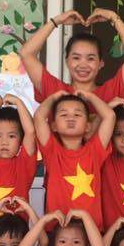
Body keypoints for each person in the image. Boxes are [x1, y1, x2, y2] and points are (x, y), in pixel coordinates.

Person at [19, 8, 124, 103]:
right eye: (76, 58)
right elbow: (26, 54)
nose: (83, 64)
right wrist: (55, 21)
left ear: (101, 63)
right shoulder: (55, 91)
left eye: (90, 58)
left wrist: (113, 17)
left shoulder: (112, 91)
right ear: (67, 61)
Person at [34, 90, 116, 230]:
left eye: (77, 114)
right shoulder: (52, 151)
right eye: (64, 114)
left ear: (88, 126)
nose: (70, 118)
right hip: (58, 230)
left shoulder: (95, 151)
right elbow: (39, 117)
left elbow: (110, 116)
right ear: (53, 126)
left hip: (91, 231)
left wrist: (90, 96)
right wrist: (53, 97)